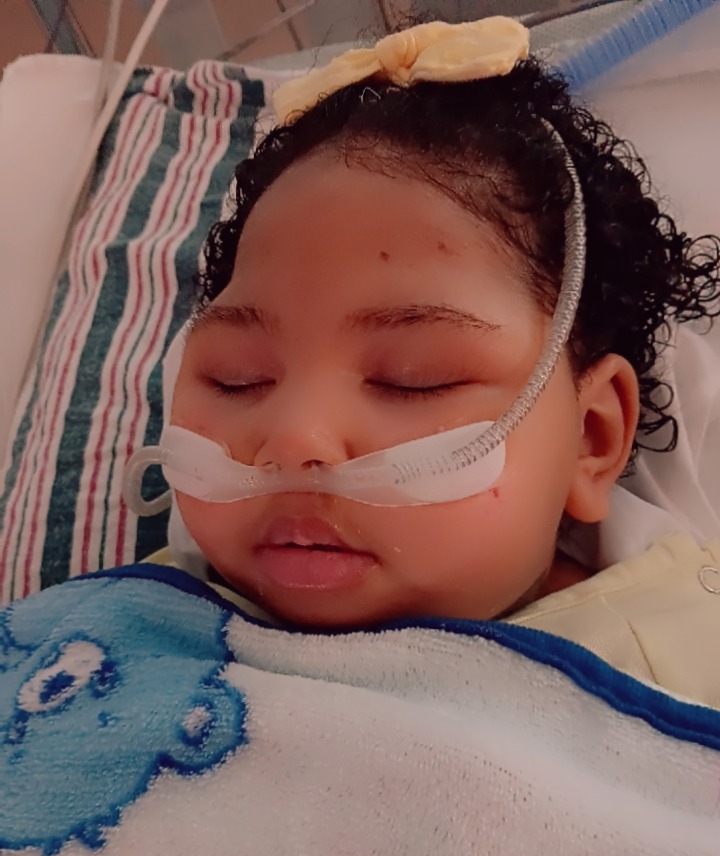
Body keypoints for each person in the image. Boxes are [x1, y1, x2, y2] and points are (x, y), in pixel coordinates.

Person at [139, 17, 720, 703]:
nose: (294, 440)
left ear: (590, 439)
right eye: (238, 380)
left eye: (413, 381)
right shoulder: (138, 622)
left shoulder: (674, 661)